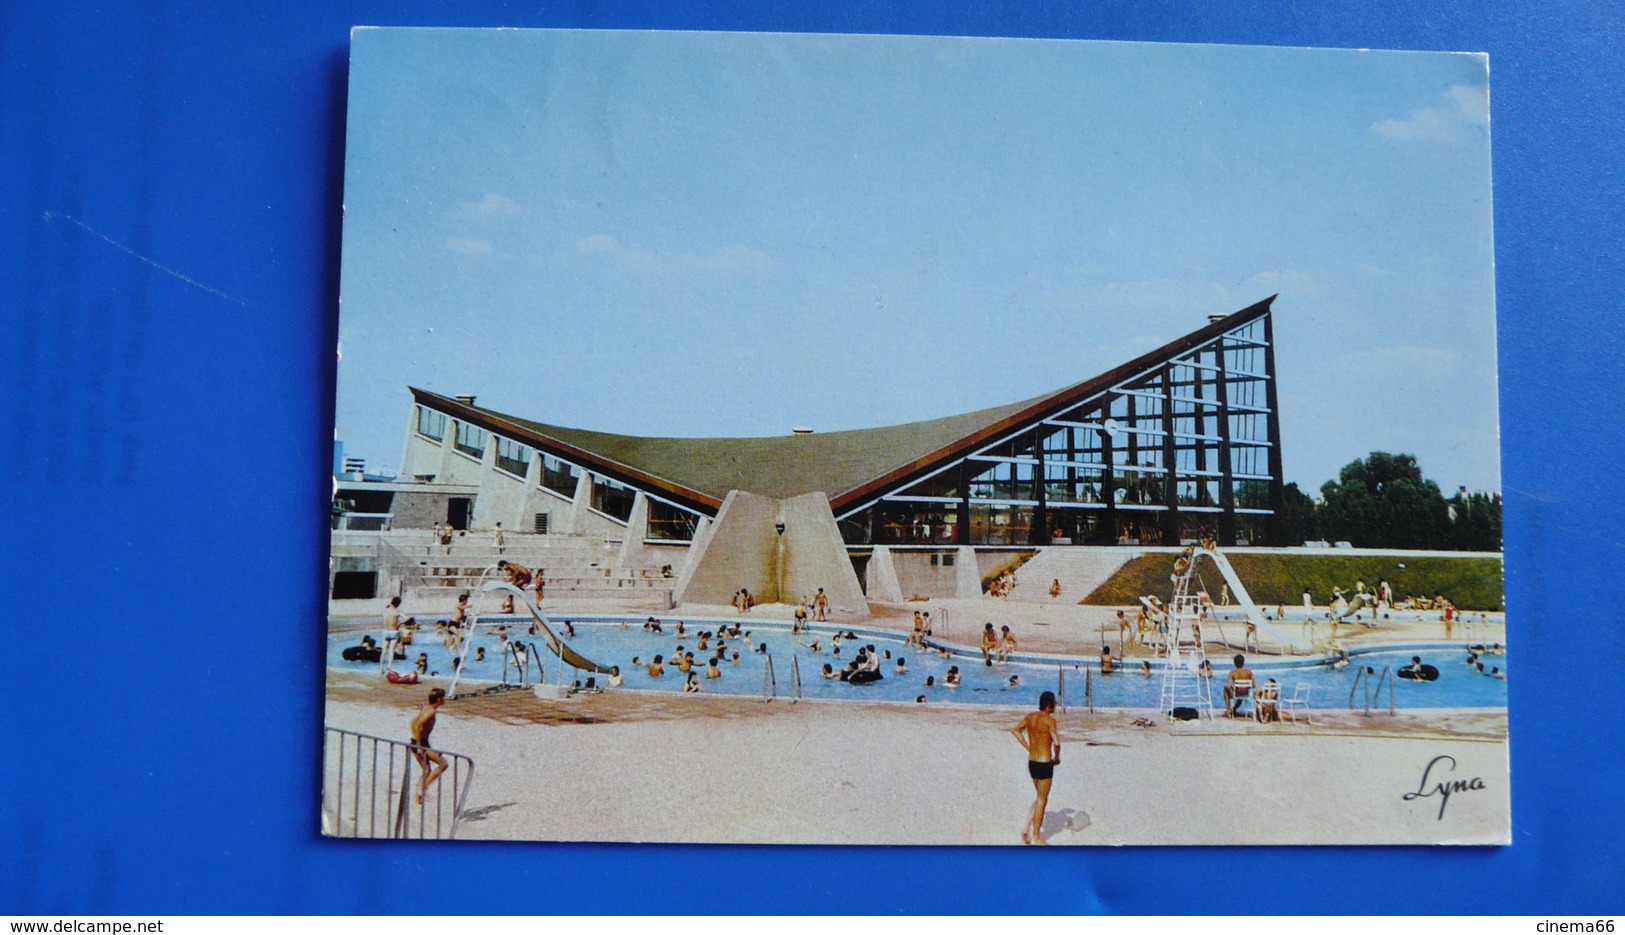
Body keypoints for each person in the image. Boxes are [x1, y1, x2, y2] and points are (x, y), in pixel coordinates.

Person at [1011, 691, 1061, 845]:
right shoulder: (1049, 720)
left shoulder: (1030, 717)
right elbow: (1057, 743)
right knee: (1042, 799)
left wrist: (1029, 747)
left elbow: (1016, 731)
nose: (1056, 705)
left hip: (1032, 761)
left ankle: (1026, 829)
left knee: (1039, 796)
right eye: (1054, 702)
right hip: (1045, 763)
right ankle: (1036, 836)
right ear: (1048, 704)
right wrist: (1056, 757)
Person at [410, 688, 449, 805]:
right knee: (444, 764)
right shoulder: (431, 711)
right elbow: (416, 725)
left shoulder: (427, 709)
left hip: (416, 742)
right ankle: (424, 788)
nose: (445, 699)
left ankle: (418, 798)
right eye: (443, 697)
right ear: (439, 699)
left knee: (426, 770)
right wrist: (420, 745)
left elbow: (414, 723)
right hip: (421, 743)